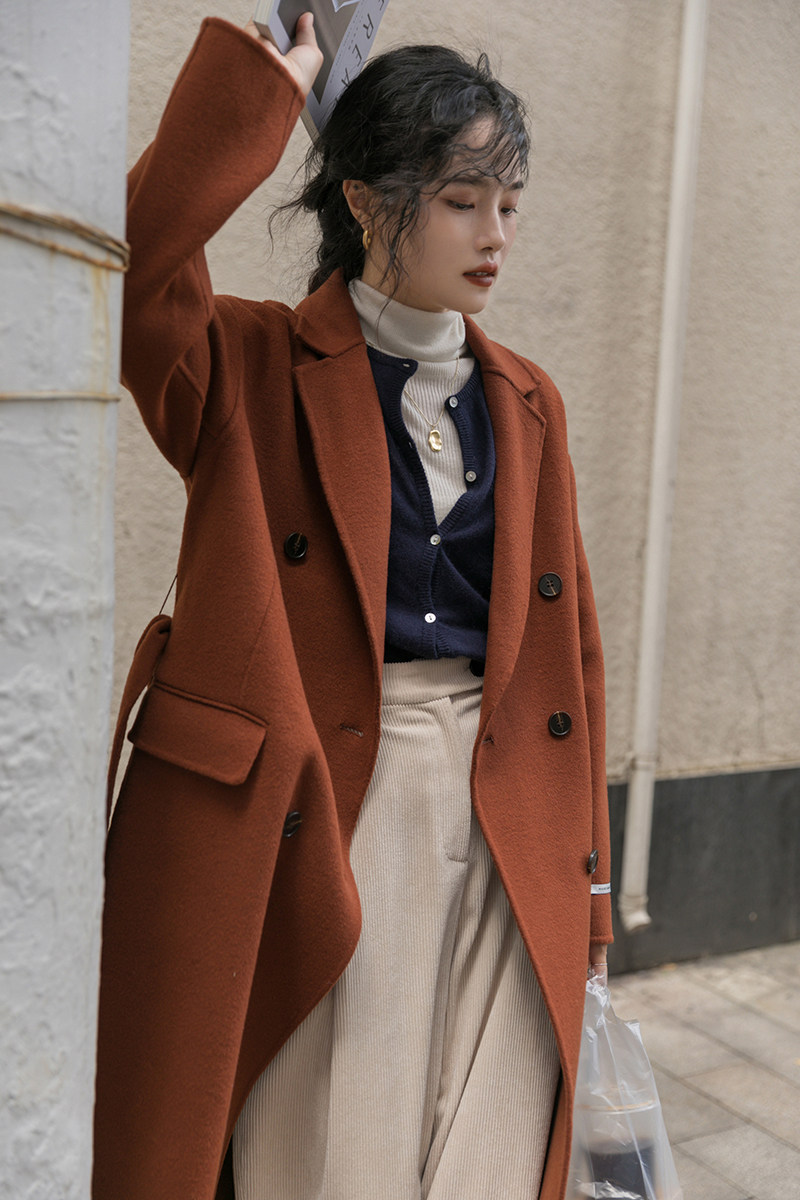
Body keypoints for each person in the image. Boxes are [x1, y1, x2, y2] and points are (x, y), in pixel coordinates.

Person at [93, 12, 612, 1200]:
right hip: (325, 794)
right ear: (369, 204)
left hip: (507, 803)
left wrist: (588, 893)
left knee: (492, 1130)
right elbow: (135, 269)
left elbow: (569, 660)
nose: (496, 235)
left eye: (509, 203)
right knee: (337, 1140)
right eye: (462, 201)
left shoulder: (528, 399)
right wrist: (266, 90)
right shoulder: (252, 364)